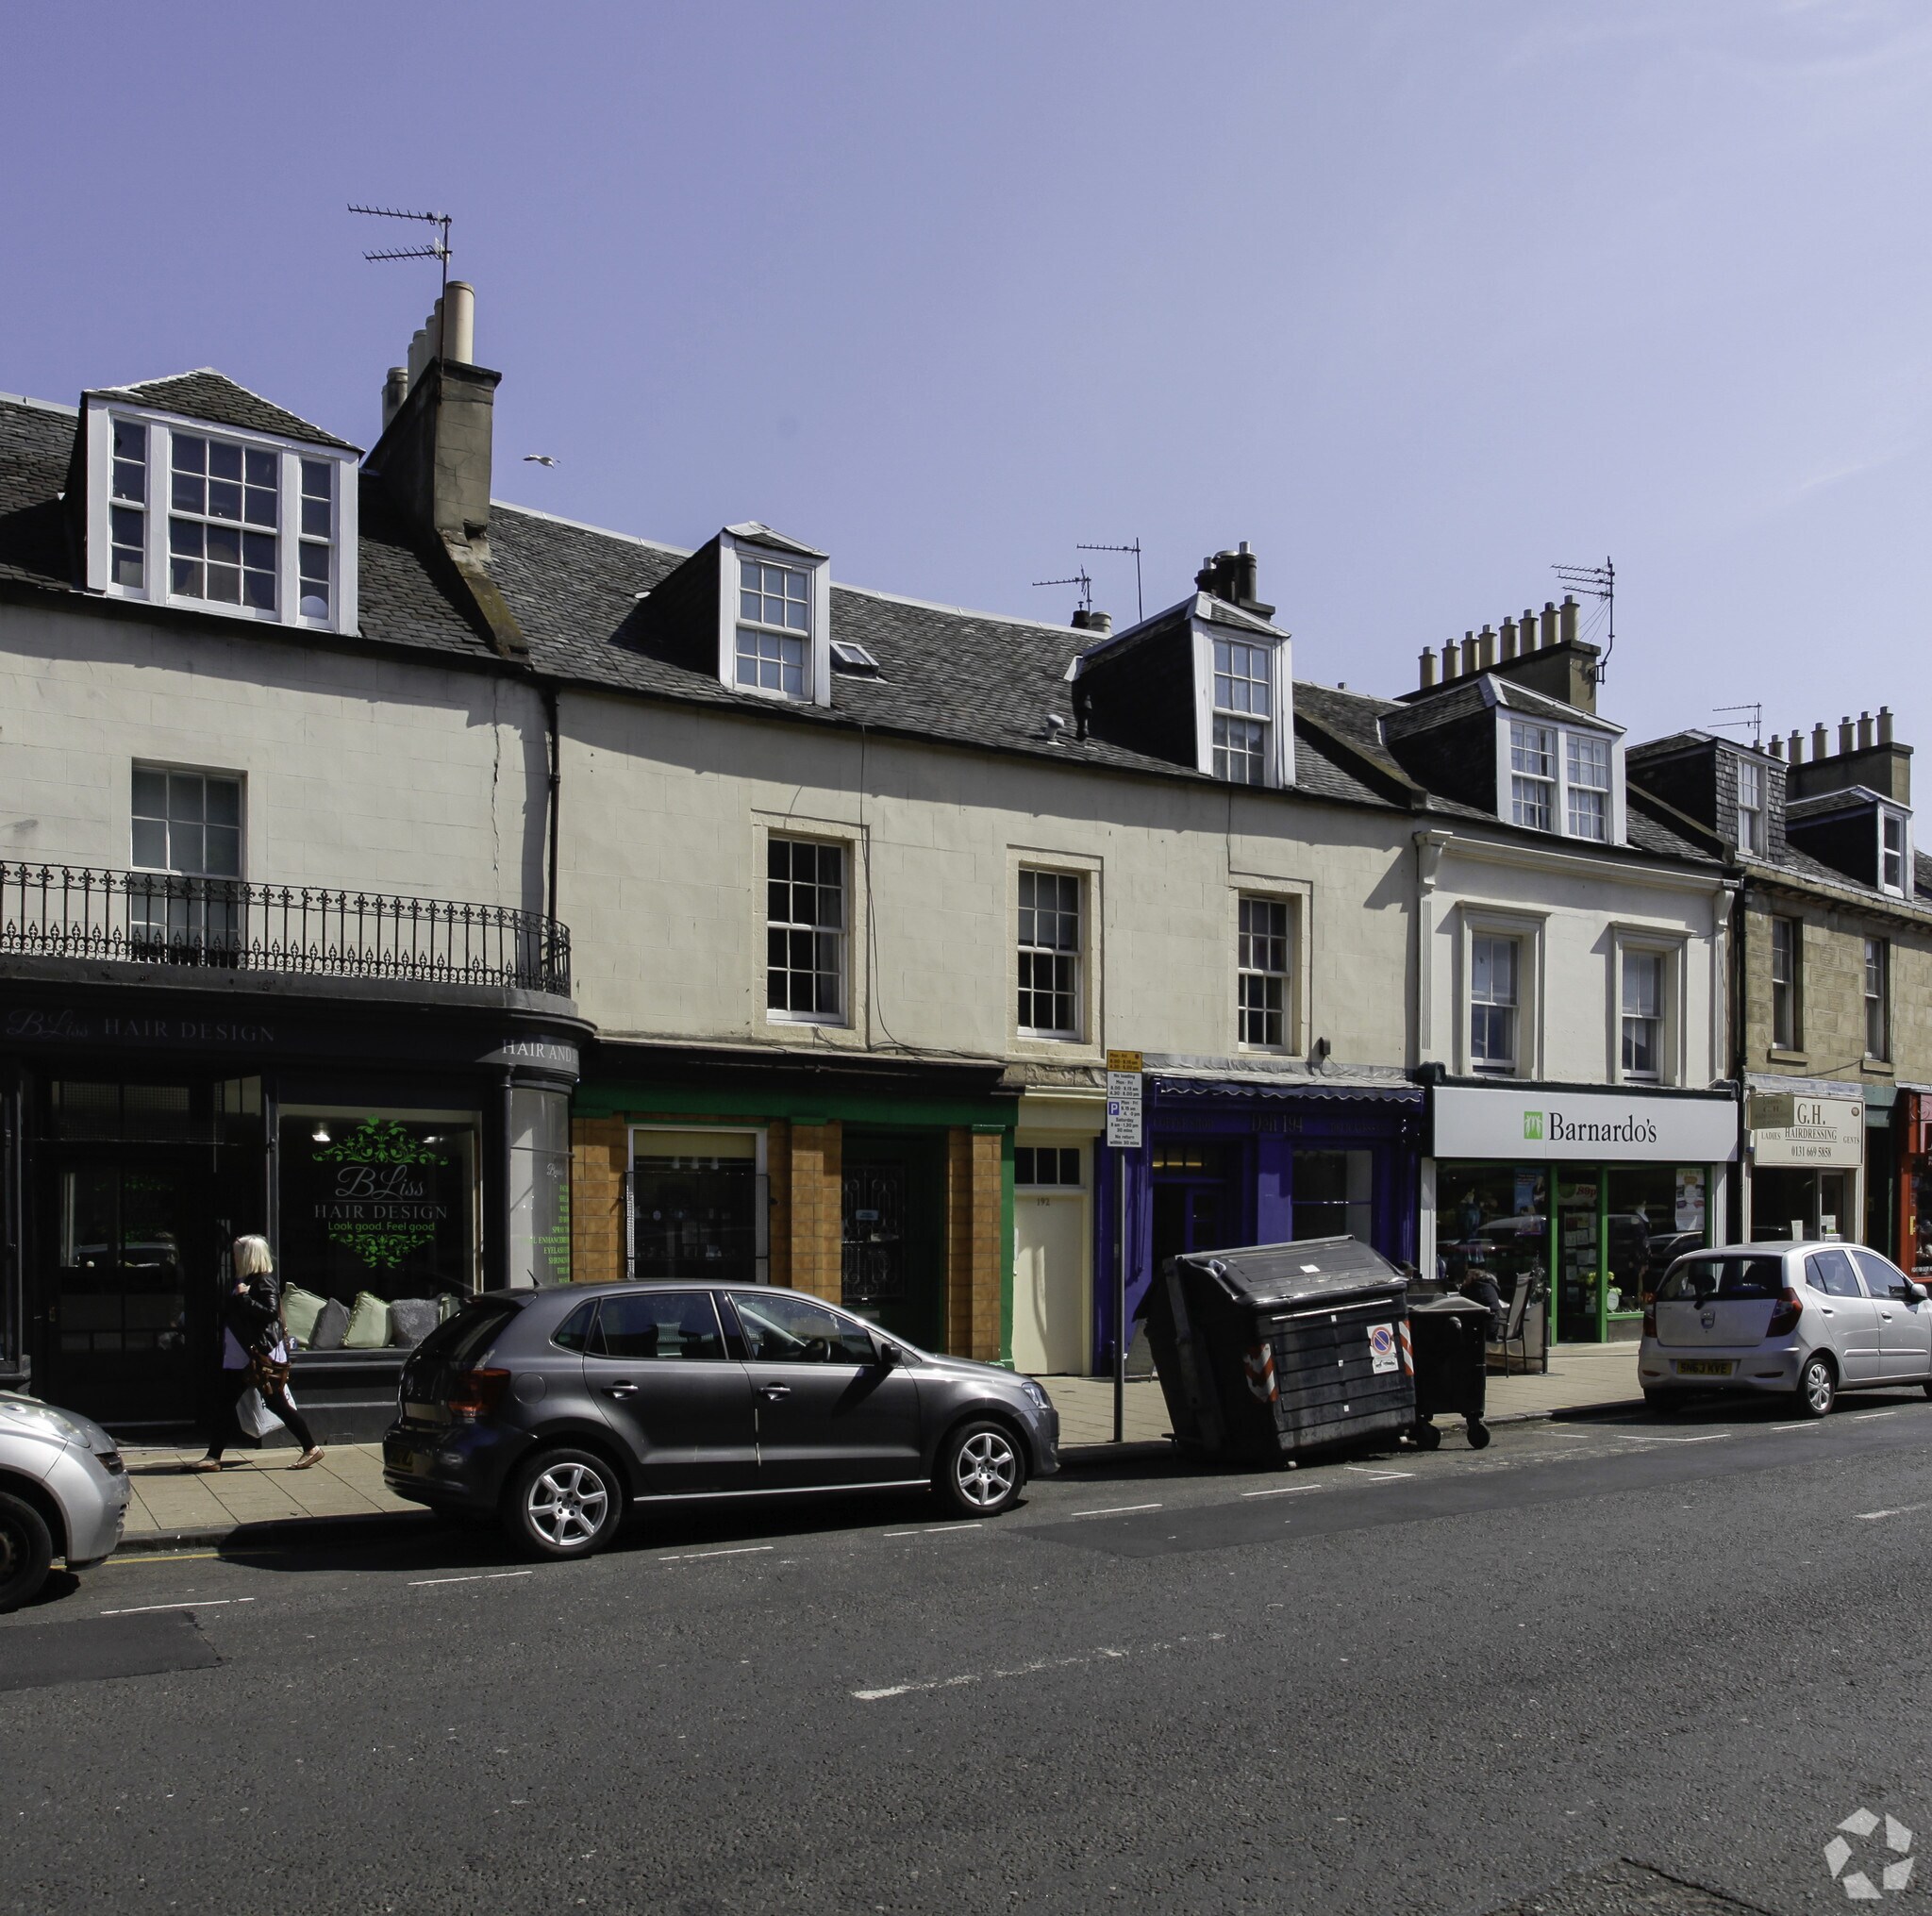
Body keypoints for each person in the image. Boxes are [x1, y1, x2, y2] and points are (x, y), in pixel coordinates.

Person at [192, 1235, 324, 1472]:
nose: (233, 1257)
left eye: (237, 1253)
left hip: (256, 1356)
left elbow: (270, 1313)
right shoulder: (247, 1280)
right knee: (227, 1402)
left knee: (275, 1402)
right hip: (240, 1355)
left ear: (248, 1256)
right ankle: (213, 1457)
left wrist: (244, 1298)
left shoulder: (263, 1282)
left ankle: (311, 1447)